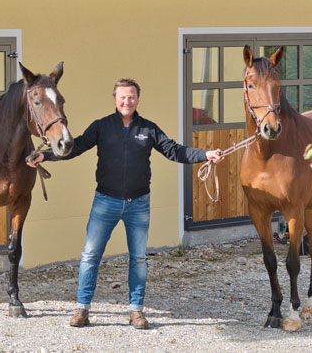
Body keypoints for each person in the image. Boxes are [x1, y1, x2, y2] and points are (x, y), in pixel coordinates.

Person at [27, 78, 223, 329]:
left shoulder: (149, 129)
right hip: (105, 202)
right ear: (115, 99)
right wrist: (45, 155)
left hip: (138, 205)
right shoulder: (102, 126)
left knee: (139, 259)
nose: (126, 101)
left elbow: (175, 151)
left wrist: (205, 154)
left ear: (137, 100)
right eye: (122, 96)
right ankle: (82, 309)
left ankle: (136, 311)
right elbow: (76, 148)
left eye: (131, 97)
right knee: (90, 256)